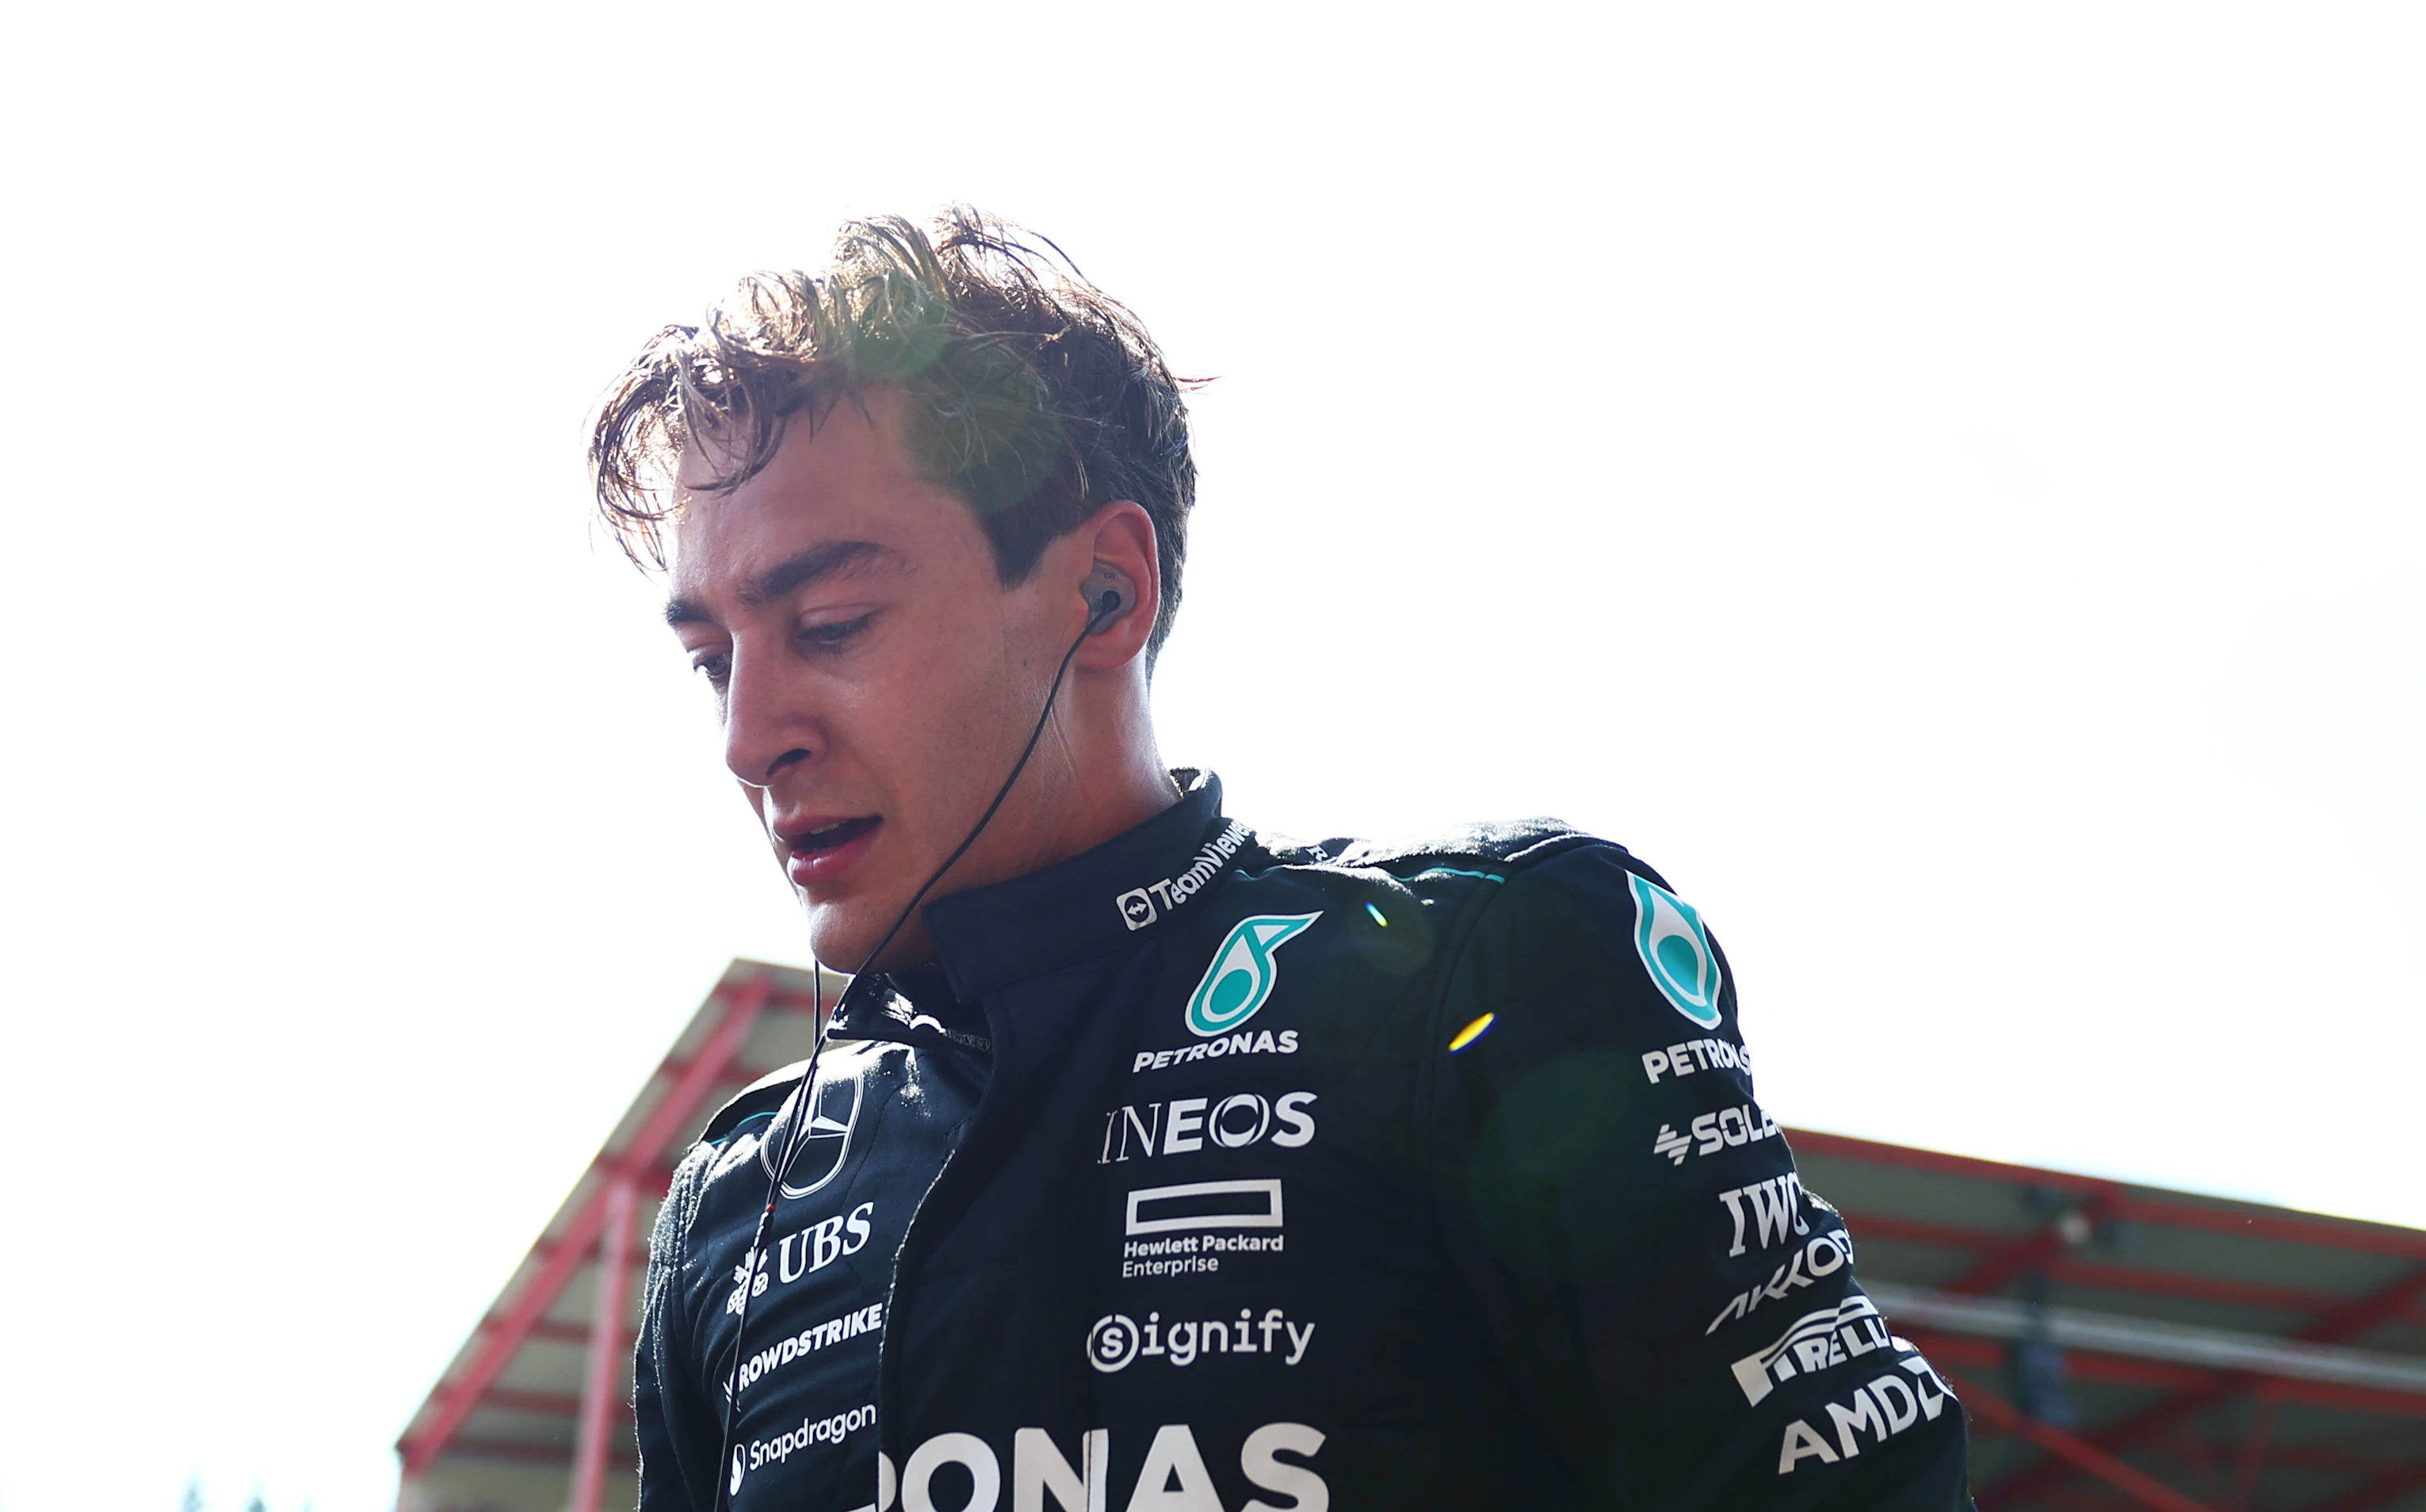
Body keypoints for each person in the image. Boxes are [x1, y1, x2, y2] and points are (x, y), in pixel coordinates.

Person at [590, 208, 1972, 1512]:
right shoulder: (742, 1197)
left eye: (829, 624)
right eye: (712, 661)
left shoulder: (1477, 965)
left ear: (1105, 593)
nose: (748, 736)